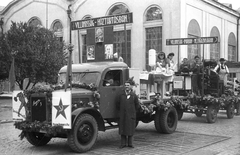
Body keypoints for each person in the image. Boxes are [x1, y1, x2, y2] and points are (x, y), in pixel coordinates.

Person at [116, 78, 140, 149]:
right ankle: (123, 144)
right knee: (123, 129)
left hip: (130, 115)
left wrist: (132, 112)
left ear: (131, 86)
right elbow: (117, 104)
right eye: (125, 85)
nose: (126, 86)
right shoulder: (121, 95)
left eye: (128, 85)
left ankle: (130, 143)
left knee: (130, 129)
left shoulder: (133, 96)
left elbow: (137, 105)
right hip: (123, 115)